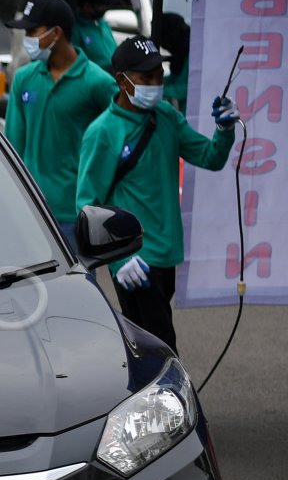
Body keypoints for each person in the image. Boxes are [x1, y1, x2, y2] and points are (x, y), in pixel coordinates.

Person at [77, 37, 238, 354]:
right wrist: (119, 258)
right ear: (122, 80)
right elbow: (87, 204)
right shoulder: (103, 131)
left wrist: (224, 130)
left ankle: (144, 401)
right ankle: (171, 401)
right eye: (146, 77)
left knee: (146, 348)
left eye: (158, 75)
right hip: (135, 259)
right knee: (162, 349)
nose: (156, 83)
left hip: (167, 253)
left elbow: (211, 158)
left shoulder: (166, 117)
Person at [5, 0, 117, 250]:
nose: (28, 38)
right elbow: (13, 147)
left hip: (77, 215)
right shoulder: (24, 79)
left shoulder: (97, 82)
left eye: (33, 30)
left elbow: (118, 142)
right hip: (32, 213)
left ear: (56, 33)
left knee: (80, 288)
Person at [70, 0, 117, 71]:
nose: (104, 8)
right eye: (100, 5)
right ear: (86, 6)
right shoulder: (75, 30)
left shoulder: (103, 23)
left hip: (115, 78)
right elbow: (76, 64)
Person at [161, 13, 191, 111]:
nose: (164, 46)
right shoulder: (181, 52)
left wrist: (160, 90)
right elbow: (174, 78)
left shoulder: (192, 54)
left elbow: (188, 88)